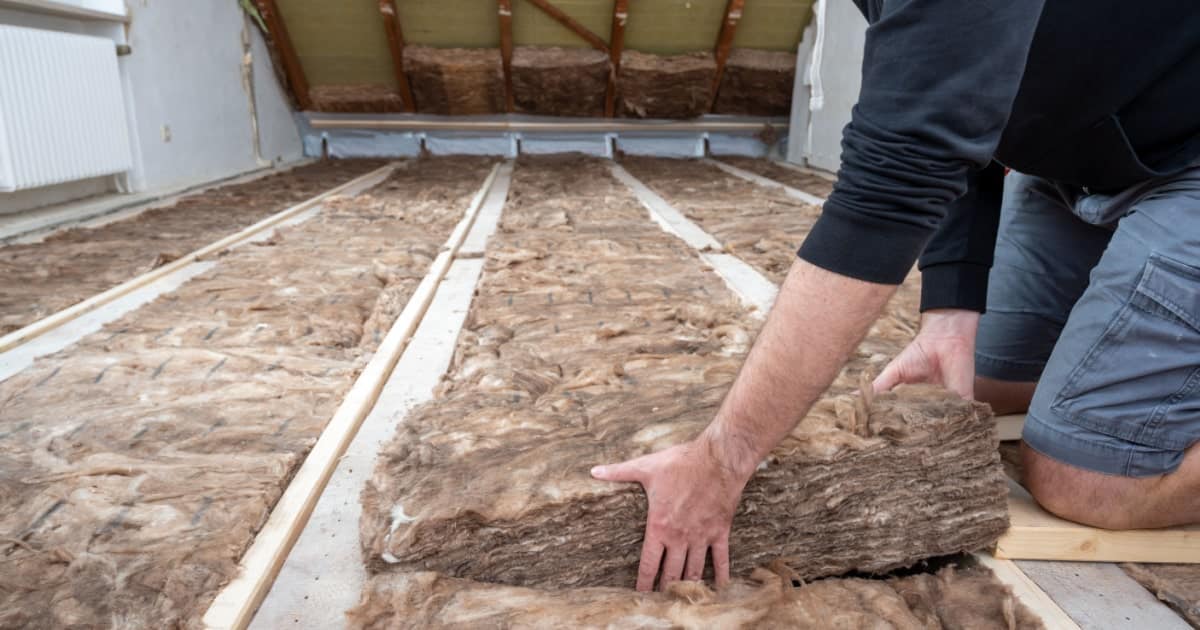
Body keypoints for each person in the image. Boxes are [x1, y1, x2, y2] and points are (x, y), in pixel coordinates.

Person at [591, 0, 1200, 592]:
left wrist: (726, 458)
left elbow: (894, 183)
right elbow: (956, 103)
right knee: (981, 379)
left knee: (1084, 478)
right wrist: (948, 318)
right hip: (1088, 165)